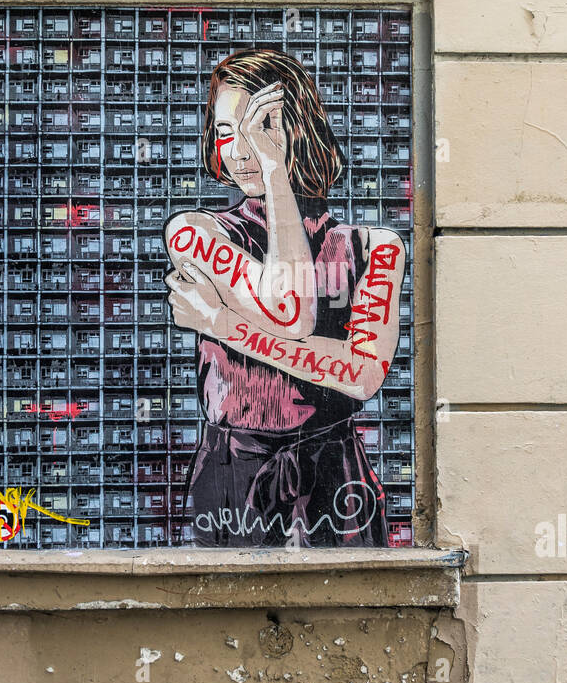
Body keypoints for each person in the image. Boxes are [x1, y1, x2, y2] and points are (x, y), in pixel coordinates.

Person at [162, 48, 407, 547]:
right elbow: (290, 310)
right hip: (234, 474)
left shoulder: (375, 247)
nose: (242, 151)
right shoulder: (196, 232)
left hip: (336, 475)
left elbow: (360, 376)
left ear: (300, 131)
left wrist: (221, 324)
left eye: (261, 130)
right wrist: (275, 175)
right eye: (229, 132)